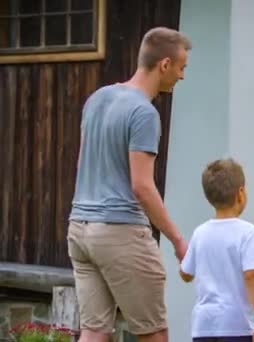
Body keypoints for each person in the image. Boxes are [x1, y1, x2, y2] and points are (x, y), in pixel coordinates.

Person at [66, 27, 191, 342]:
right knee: (153, 333)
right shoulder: (144, 113)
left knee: (94, 331)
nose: (182, 76)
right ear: (164, 64)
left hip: (80, 229)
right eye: (181, 67)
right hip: (119, 232)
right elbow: (142, 186)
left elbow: (82, 164)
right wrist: (177, 240)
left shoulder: (97, 99)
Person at [179, 158, 254, 342]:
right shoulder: (248, 232)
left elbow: (186, 273)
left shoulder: (200, 233)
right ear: (240, 193)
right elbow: (251, 276)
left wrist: (182, 257)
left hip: (203, 326)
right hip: (237, 326)